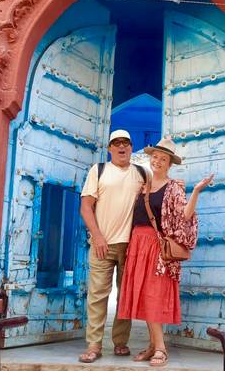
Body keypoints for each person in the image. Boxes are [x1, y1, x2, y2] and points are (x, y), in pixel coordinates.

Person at [118, 137, 213, 367]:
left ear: (170, 164)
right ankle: (152, 345)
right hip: (137, 246)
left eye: (163, 159)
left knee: (154, 295)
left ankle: (161, 348)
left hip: (156, 248)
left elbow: (185, 216)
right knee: (143, 295)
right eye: (156, 157)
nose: (158, 161)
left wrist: (197, 192)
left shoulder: (173, 188)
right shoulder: (144, 187)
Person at [78, 129, 146, 363]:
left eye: (126, 143)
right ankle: (94, 345)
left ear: (131, 147)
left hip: (131, 246)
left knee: (125, 296)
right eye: (116, 143)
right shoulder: (99, 171)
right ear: (109, 148)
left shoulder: (140, 173)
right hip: (102, 244)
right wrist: (97, 236)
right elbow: (86, 207)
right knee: (97, 295)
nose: (121, 147)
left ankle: (120, 342)